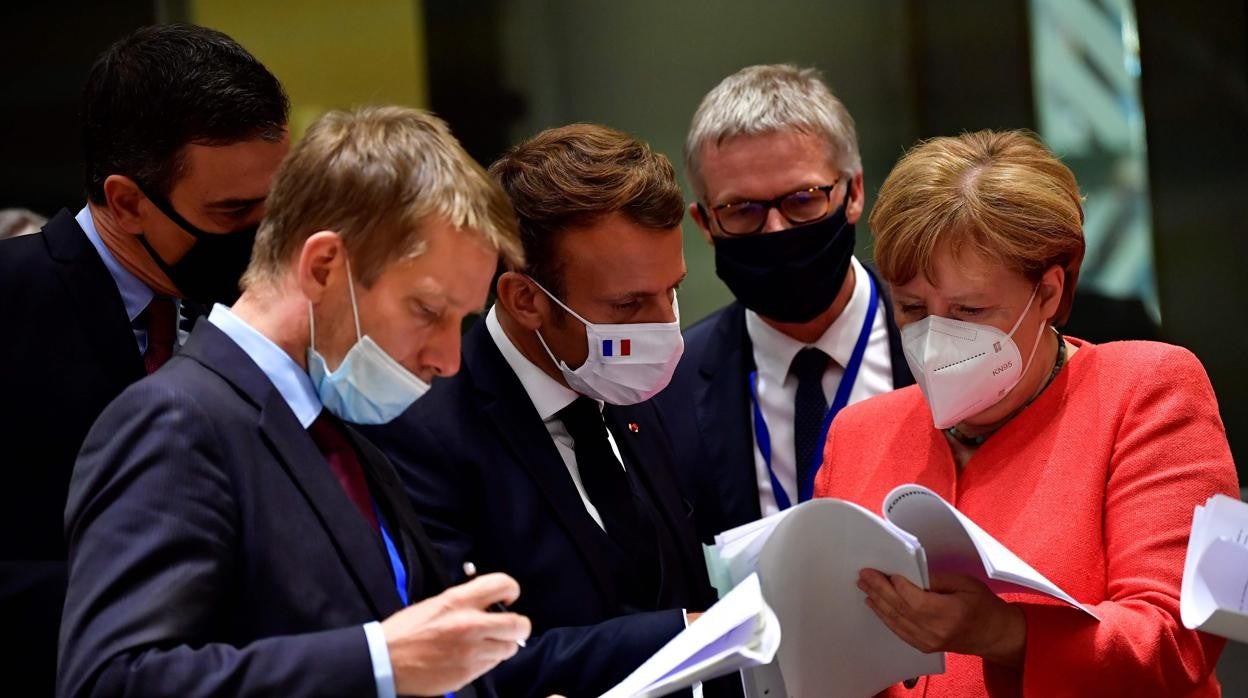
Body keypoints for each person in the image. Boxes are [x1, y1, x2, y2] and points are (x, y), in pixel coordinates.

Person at [58, 106, 531, 698]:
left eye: (460, 321)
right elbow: (111, 681)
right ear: (324, 265)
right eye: (428, 311)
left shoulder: (342, 426)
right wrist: (377, 662)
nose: (448, 359)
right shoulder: (175, 421)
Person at [814, 129, 1239, 696]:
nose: (937, 337)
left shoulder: (1146, 390)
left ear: (1049, 292)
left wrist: (1004, 633)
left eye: (970, 310)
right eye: (913, 308)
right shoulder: (860, 433)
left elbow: (1182, 639)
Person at [362, 124, 727, 697]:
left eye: (671, 290)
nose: (662, 326)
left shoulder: (636, 386)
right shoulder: (420, 429)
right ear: (525, 299)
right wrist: (686, 635)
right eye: (629, 303)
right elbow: (464, 661)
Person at [0, 24, 289, 693]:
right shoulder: (13, 303)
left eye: (277, 204)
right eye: (233, 211)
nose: (264, 237)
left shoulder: (268, 310)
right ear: (127, 201)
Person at [656, 64, 913, 543]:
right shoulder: (667, 388)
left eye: (802, 200)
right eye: (742, 210)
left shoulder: (941, 345)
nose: (776, 230)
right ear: (704, 223)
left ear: (853, 192)